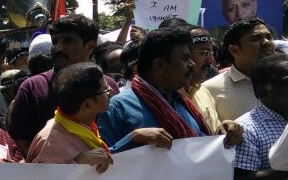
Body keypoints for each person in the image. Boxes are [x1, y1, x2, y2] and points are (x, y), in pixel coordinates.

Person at [98, 27, 241, 153]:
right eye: (185, 59)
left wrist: (222, 133)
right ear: (160, 65)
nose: (192, 64)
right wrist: (132, 139)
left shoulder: (184, 104)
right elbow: (98, 165)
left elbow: (197, 151)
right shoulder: (119, 107)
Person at [6, 15, 119, 156]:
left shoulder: (110, 86)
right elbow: (19, 142)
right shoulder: (33, 88)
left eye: (67, 41)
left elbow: (116, 136)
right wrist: (68, 163)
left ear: (90, 46)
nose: (58, 48)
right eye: (55, 41)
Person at [26, 63, 113, 172]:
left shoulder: (82, 123)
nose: (111, 90)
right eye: (105, 90)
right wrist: (77, 163)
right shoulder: (50, 143)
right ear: (87, 105)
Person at [202, 16, 275, 123]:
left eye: (269, 37)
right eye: (255, 39)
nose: (266, 42)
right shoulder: (210, 89)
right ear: (234, 50)